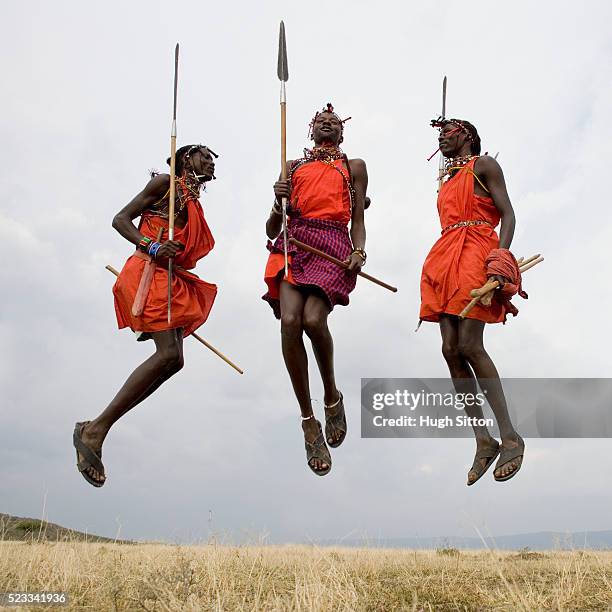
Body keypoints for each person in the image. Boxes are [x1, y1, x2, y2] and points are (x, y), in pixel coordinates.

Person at [73, 145, 218, 487]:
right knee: (169, 354)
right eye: (204, 155)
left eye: (213, 159)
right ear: (185, 158)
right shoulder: (165, 184)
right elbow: (119, 219)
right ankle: (94, 431)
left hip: (168, 278)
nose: (211, 161)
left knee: (175, 360)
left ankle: (97, 428)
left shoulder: (193, 202)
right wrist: (151, 245)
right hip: (147, 273)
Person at [263, 103, 368, 476]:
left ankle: (331, 395)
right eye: (321, 121)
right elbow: (271, 229)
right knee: (290, 321)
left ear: (342, 133)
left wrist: (359, 250)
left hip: (332, 245)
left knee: (312, 319)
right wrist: (279, 201)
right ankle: (309, 421)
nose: (327, 124)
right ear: (311, 131)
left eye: (334, 123)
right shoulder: (291, 167)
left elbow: (358, 219)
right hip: (295, 241)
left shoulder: (353, 167)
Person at [420, 118, 526, 484]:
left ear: (466, 135)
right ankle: (483, 440)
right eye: (439, 135)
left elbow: (509, 214)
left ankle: (511, 436)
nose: (441, 139)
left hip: (477, 253)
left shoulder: (485, 165)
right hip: (444, 256)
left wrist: (501, 261)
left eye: (447, 133)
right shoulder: (447, 181)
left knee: (469, 344)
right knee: (450, 350)